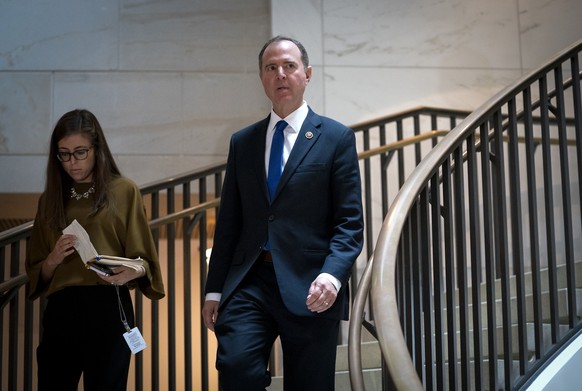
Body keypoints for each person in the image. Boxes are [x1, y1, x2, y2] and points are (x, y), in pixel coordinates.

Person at [202, 35, 364, 390]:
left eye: (289, 66)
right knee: (235, 367)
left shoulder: (336, 139)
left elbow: (349, 224)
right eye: (271, 68)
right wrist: (214, 291)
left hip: (311, 284)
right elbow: (229, 221)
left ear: (306, 74)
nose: (280, 74)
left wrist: (333, 276)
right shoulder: (242, 142)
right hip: (250, 281)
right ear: (262, 78)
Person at [25, 109, 165, 391]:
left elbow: (144, 259)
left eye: (80, 152)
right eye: (63, 154)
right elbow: (36, 270)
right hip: (62, 309)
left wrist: (131, 271)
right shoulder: (50, 199)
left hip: (108, 304)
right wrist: (53, 258)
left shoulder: (123, 191)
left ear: (97, 149)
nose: (72, 162)